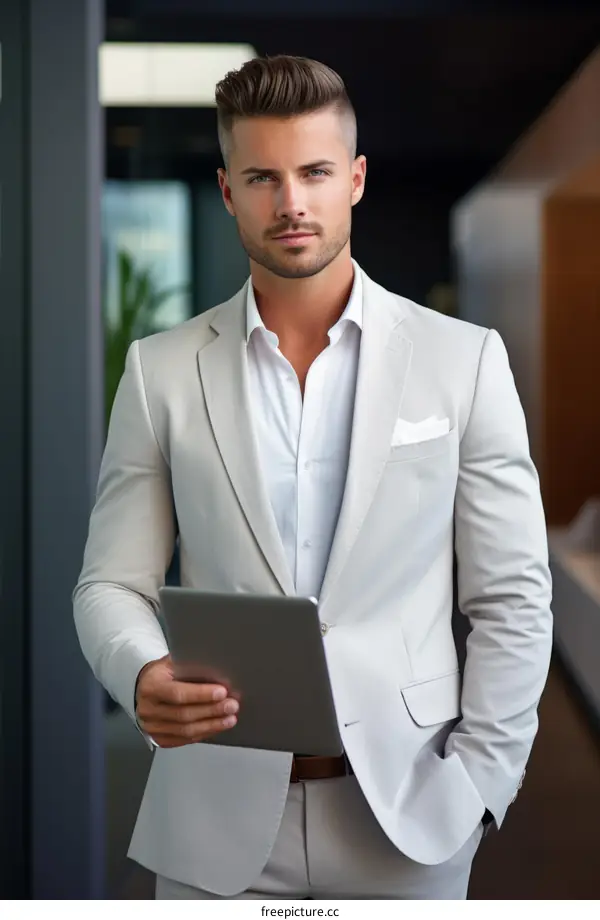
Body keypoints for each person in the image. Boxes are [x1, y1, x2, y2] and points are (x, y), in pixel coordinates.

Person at [73, 55, 553, 900]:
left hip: (409, 819)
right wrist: (142, 671)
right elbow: (110, 583)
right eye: (262, 177)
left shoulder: (463, 361)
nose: (291, 202)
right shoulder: (160, 371)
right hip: (213, 827)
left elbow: (513, 597)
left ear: (356, 179)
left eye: (315, 172)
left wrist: (479, 785)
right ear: (227, 191)